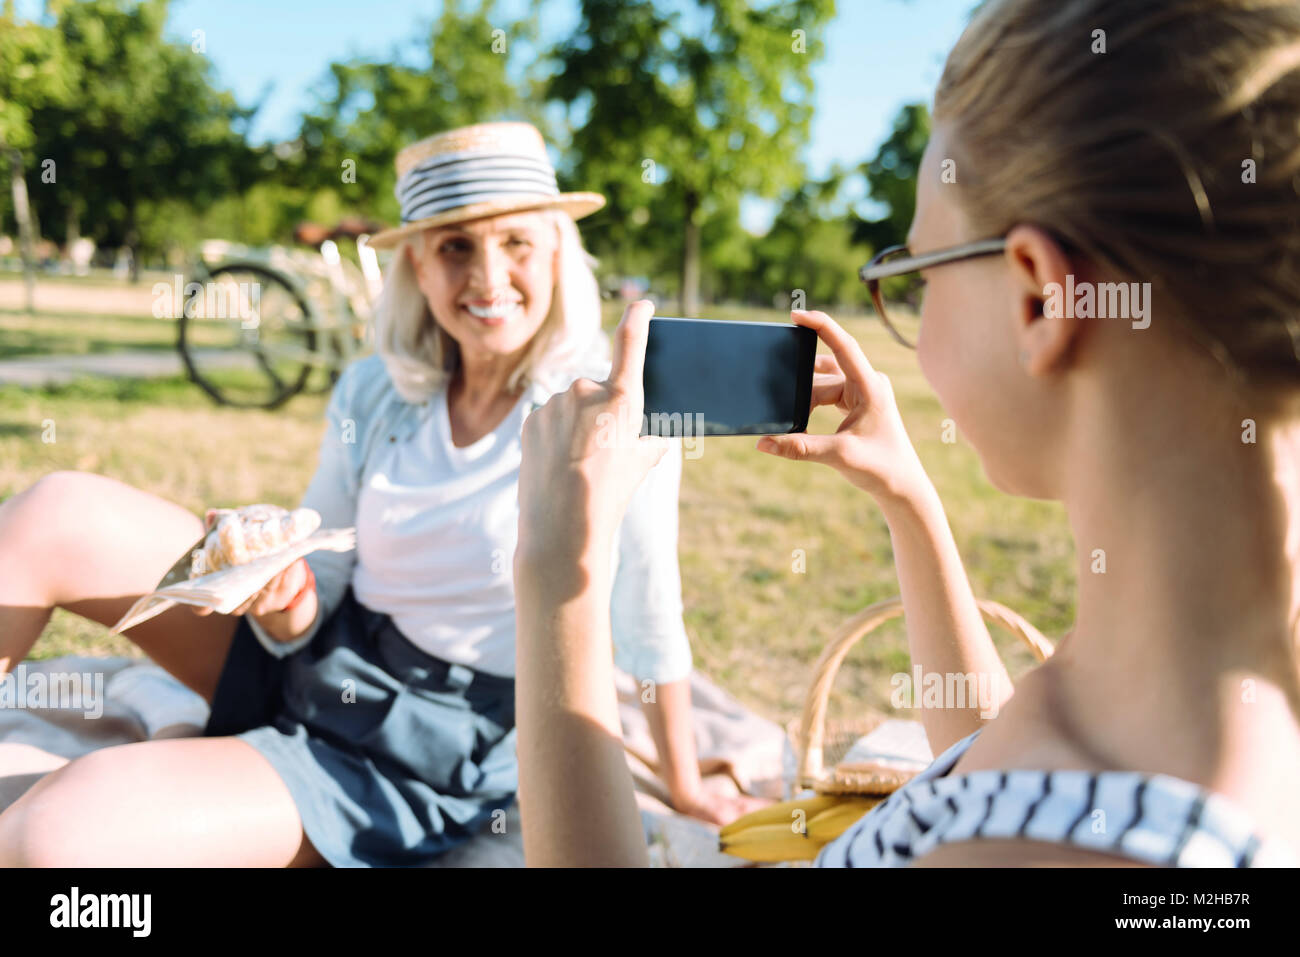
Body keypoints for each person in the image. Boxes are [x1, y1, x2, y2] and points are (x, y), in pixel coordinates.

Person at [511, 0, 1300, 867]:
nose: (909, 322)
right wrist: (910, 501)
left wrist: (560, 579)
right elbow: (1003, 763)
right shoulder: (1203, 670)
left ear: (1040, 296)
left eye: (916, 273)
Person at [0, 122, 757, 868]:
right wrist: (283, 591)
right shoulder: (374, 389)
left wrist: (685, 785)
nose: (489, 277)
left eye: (517, 241)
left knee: (53, 833)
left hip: (413, 749)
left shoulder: (606, 413)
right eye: (456, 246)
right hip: (316, 658)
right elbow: (318, 585)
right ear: (417, 270)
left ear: (559, 250)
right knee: (54, 513)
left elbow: (648, 618)